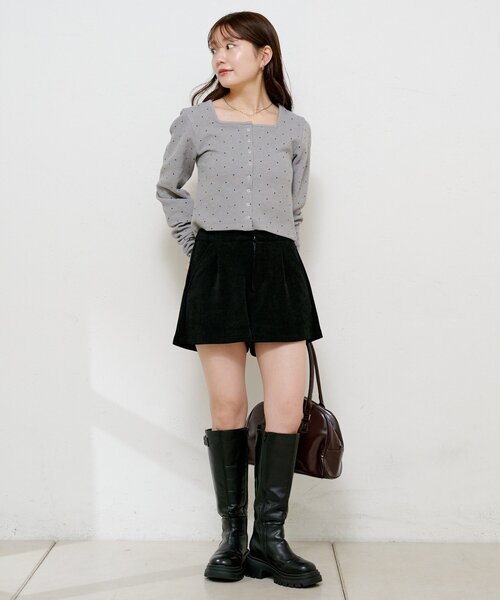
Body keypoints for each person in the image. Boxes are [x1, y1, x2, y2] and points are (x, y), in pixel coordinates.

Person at [155, 11, 323, 589]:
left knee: (287, 409)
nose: (220, 58)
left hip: (278, 267)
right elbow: (169, 188)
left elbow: (295, 208)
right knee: (227, 407)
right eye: (214, 49)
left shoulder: (295, 129)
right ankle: (232, 537)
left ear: (264, 54)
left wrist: (279, 252)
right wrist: (197, 247)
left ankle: (269, 542)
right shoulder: (197, 121)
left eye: (231, 46)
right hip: (218, 267)